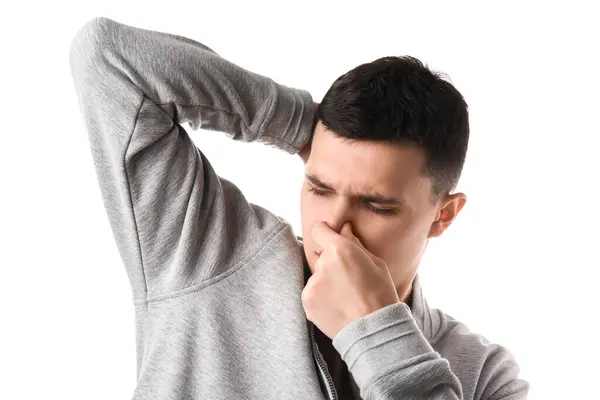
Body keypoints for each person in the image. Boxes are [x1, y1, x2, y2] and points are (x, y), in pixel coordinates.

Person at [69, 16, 528, 400]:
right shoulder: (207, 254)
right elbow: (107, 56)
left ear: (443, 216)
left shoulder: (484, 374)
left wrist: (376, 334)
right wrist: (298, 122)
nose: (333, 226)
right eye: (320, 188)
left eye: (376, 205)